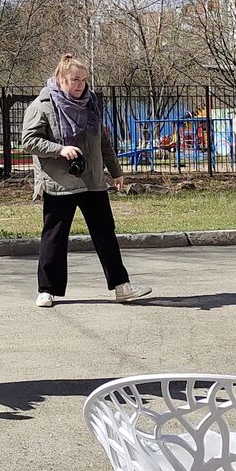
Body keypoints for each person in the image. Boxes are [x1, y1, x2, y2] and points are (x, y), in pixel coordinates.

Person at [21, 54, 152, 307]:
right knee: (55, 236)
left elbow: (102, 140)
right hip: (60, 183)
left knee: (105, 233)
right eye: (74, 80)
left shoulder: (91, 103)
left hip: (92, 180)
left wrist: (116, 171)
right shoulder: (42, 105)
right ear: (61, 79)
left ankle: (121, 286)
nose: (80, 85)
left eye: (84, 79)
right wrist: (59, 149)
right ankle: (47, 290)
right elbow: (28, 141)